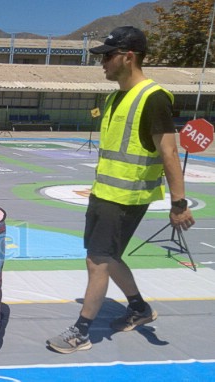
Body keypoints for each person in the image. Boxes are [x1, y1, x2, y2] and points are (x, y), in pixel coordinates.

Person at [46, 26, 196, 354]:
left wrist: (179, 202)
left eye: (107, 56)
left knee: (98, 261)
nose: (102, 63)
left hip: (128, 197)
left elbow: (169, 152)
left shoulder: (153, 98)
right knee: (105, 258)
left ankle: (81, 332)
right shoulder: (115, 97)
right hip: (104, 193)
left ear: (128, 58)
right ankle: (140, 308)